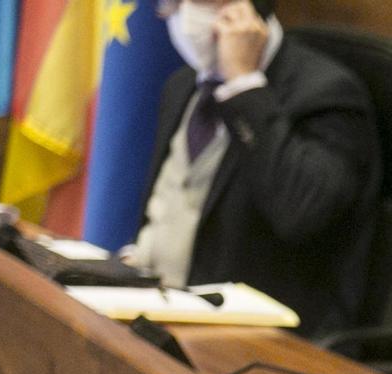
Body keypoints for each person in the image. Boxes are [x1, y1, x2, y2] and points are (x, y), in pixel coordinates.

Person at [129, 0, 379, 336]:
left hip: (252, 340)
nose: (181, 14)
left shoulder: (329, 95)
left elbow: (299, 212)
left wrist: (244, 86)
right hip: (154, 316)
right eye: (172, 3)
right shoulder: (183, 85)